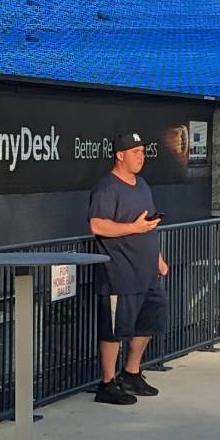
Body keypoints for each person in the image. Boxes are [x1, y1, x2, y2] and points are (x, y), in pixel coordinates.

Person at [87, 130, 169, 405]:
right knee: (114, 329)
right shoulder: (106, 187)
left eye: (143, 152)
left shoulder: (142, 184)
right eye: (136, 152)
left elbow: (149, 223)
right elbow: (97, 225)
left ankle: (131, 372)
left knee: (148, 320)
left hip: (148, 271)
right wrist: (132, 228)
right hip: (119, 272)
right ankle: (107, 383)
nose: (141, 157)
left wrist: (157, 258)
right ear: (120, 155)